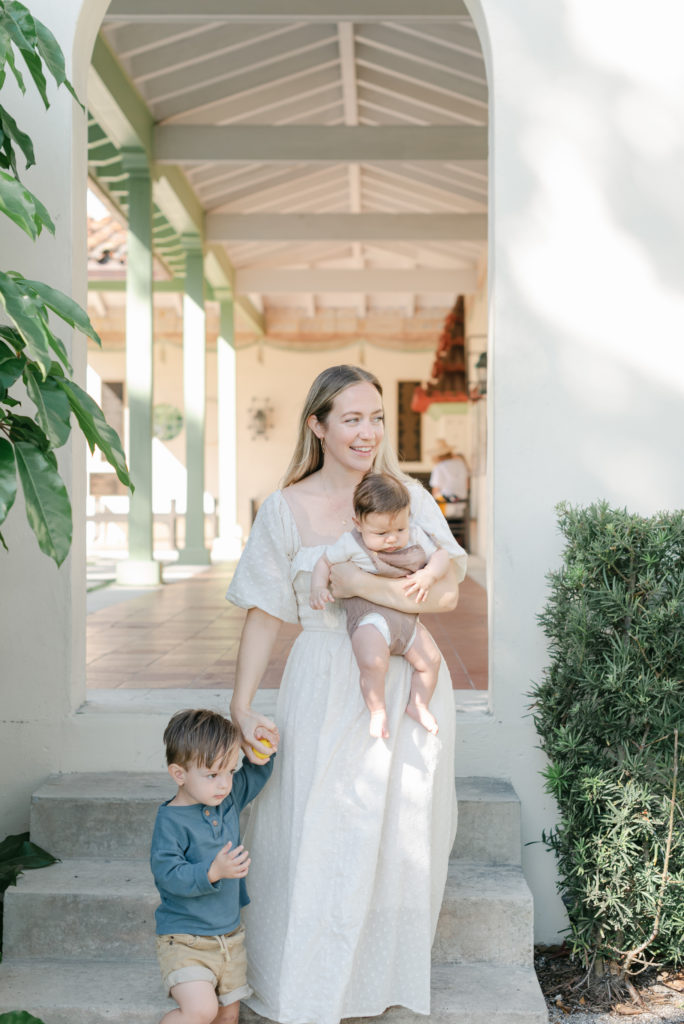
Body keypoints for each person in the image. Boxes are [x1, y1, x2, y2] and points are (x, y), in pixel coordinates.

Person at [226, 365, 467, 1024]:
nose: (369, 433)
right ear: (318, 426)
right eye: (353, 419)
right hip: (323, 683)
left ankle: (373, 983)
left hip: (402, 676)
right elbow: (264, 611)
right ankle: (309, 983)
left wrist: (359, 585)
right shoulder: (285, 508)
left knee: (398, 835)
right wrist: (242, 704)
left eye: (377, 417)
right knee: (317, 834)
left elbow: (444, 593)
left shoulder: (407, 495)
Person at [150, 708, 275, 1024]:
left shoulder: (226, 799)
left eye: (230, 771)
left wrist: (264, 748)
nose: (224, 784)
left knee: (228, 1015)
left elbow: (256, 773)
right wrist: (212, 872)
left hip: (230, 940)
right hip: (186, 941)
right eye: (212, 774)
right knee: (201, 1011)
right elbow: (167, 875)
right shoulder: (171, 821)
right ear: (180, 774)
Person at [310, 472, 451, 739]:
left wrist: (429, 574)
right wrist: (318, 587)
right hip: (370, 619)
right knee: (372, 661)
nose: (392, 538)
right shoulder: (350, 544)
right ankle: (377, 710)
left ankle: (418, 704)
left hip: (407, 620)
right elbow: (324, 562)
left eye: (400, 529)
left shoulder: (416, 537)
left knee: (431, 660)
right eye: (382, 532)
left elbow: (442, 556)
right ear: (358, 523)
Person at [428, 439, 469, 509]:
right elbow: (467, 485)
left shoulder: (438, 467)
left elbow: (436, 489)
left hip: (446, 506)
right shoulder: (461, 464)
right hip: (463, 505)